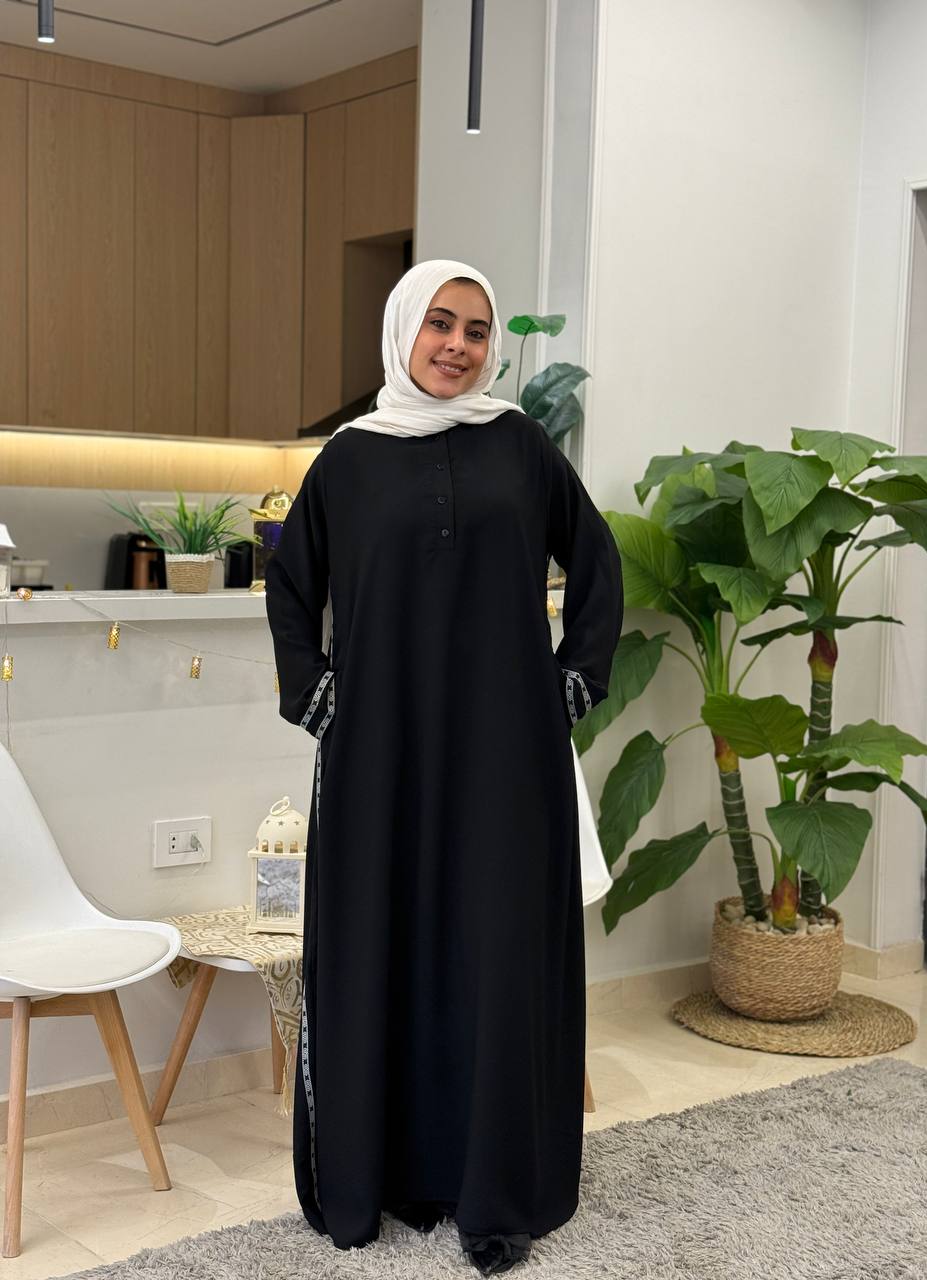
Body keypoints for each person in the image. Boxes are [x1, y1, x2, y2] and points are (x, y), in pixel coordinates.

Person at [264, 258, 624, 1276]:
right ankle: (378, 1177)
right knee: (382, 943)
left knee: (496, 954)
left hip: (507, 757)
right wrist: (315, 694)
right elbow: (291, 586)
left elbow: (597, 564)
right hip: (378, 752)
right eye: (438, 323)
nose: (457, 345)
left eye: (474, 328)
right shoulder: (349, 460)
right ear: (402, 331)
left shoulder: (522, 446)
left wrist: (570, 683)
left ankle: (494, 1190)